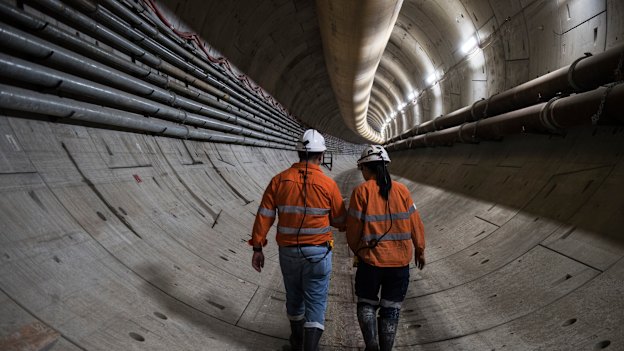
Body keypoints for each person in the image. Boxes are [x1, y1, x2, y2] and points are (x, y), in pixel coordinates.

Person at [249, 129, 347, 351]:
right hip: (319, 253)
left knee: (294, 296)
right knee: (316, 300)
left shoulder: (279, 180)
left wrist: (257, 247)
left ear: (298, 154)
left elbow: (264, 215)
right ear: (321, 156)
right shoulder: (328, 184)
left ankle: (297, 342)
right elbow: (340, 219)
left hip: (289, 252)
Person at [346, 145, 426, 351]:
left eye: (362, 169)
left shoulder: (361, 192)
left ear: (366, 168)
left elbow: (353, 229)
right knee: (391, 308)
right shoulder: (402, 191)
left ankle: (371, 345)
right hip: (399, 264)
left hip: (371, 261)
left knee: (366, 303)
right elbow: (415, 222)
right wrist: (419, 248)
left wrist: (358, 251)